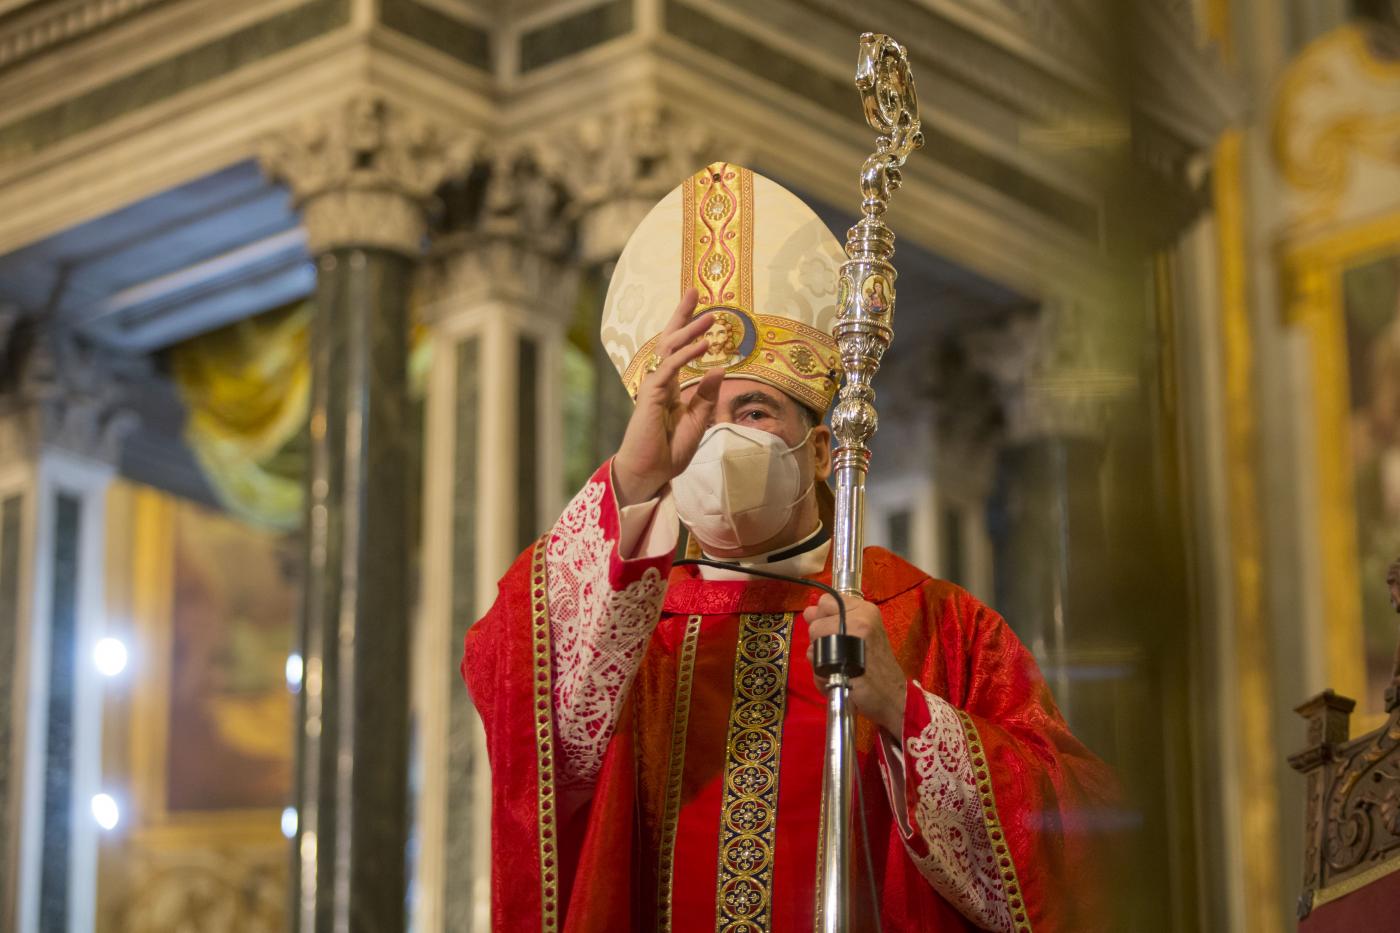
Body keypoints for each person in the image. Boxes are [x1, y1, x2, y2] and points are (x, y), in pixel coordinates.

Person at [463, 162, 1115, 933]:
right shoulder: (627, 632)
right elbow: (517, 695)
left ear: (820, 448)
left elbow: (1081, 842)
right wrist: (634, 476)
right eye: (693, 412)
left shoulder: (932, 623)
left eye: (754, 410)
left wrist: (906, 713)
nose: (720, 438)